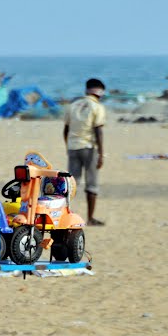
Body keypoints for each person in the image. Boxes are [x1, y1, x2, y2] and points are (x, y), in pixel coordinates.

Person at [64, 77, 107, 226]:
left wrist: (68, 146)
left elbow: (66, 129)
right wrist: (101, 153)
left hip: (73, 147)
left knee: (71, 183)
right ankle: (90, 217)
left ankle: (65, 214)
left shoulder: (73, 105)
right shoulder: (97, 107)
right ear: (100, 92)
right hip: (89, 148)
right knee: (91, 183)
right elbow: (98, 131)